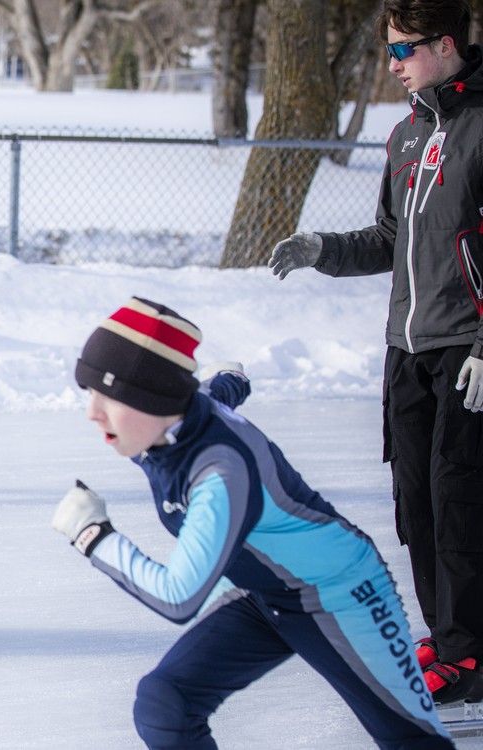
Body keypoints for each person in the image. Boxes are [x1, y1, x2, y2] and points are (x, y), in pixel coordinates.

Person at [52, 297, 453, 749]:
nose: (93, 412)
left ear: (156, 399)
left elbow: (179, 596)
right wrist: (232, 378)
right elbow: (212, 393)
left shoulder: (219, 477)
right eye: (89, 393)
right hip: (260, 590)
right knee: (166, 703)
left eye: (110, 397)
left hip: (339, 592)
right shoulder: (170, 416)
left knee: (411, 741)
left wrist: (93, 537)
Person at [268, 0, 483, 703]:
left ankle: (469, 651)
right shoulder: (405, 137)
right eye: (387, 52)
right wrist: (322, 249)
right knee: (415, 501)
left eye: (403, 51)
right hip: (408, 349)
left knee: (459, 502)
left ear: (445, 44)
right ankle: (452, 633)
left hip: (466, 349)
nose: (391, 66)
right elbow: (390, 241)